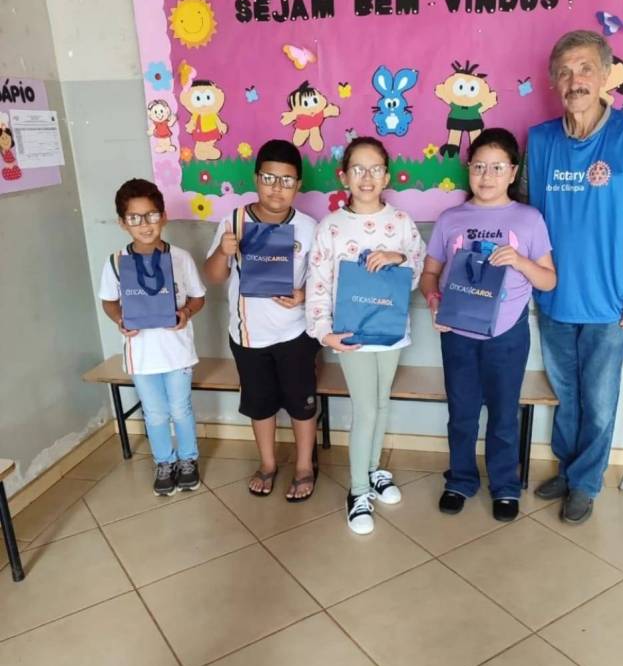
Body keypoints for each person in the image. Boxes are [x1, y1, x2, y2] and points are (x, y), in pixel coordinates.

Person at [525, 30, 623, 524]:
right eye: (564, 72)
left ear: (606, 75)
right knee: (567, 390)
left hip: (614, 282)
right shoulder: (540, 140)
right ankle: (569, 469)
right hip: (554, 285)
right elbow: (524, 215)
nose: (575, 80)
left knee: (599, 396)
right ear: (553, 81)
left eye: (585, 68)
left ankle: (585, 482)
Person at [421, 128, 556, 521]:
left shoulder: (529, 219)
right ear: (469, 169)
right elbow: (429, 274)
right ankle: (460, 479)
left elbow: (549, 280)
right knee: (462, 412)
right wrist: (433, 300)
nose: (487, 175)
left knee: (503, 414)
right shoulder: (451, 219)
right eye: (479, 166)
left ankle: (505, 486)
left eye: (497, 167)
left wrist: (520, 261)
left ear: (513, 172)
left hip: (507, 335)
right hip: (458, 333)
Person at [306, 136, 426, 534]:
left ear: (387, 176)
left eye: (375, 169)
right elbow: (318, 281)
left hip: (390, 331)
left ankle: (374, 470)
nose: (367, 177)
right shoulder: (331, 227)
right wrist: (324, 332)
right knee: (366, 409)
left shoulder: (401, 222)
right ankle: (357, 491)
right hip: (350, 334)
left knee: (381, 402)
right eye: (358, 169)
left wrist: (397, 257)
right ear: (344, 176)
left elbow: (418, 267)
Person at [204, 139, 320, 501]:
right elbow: (214, 276)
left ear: (298, 185)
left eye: (287, 180)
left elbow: (323, 281)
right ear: (256, 178)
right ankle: (268, 464)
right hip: (248, 336)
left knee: (302, 404)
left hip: (296, 334)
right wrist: (223, 252)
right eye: (269, 178)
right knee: (260, 403)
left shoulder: (309, 227)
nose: (277, 188)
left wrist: (303, 295)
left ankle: (304, 466)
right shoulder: (234, 221)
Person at [99, 178, 206, 495]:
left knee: (181, 408)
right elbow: (109, 301)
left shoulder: (180, 258)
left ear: (164, 216)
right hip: (142, 355)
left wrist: (186, 313)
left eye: (151, 215)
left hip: (177, 352)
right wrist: (120, 319)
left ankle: (188, 459)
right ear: (122, 223)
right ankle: (164, 461)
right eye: (134, 218)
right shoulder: (116, 263)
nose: (145, 224)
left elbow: (198, 297)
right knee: (155, 412)